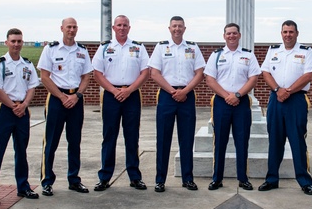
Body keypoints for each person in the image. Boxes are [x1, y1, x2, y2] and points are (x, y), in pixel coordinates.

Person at [0, 28, 41, 204]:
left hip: (22, 110)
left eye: (19, 41)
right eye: (13, 41)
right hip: (6, 110)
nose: (16, 44)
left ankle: (23, 187)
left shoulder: (27, 64)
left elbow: (32, 87)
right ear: (6, 42)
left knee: (21, 151)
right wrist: (13, 106)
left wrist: (24, 105)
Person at [92, 14, 150, 191]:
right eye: (119, 25)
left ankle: (134, 176)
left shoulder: (138, 48)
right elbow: (97, 73)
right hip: (111, 95)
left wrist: (129, 90)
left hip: (131, 95)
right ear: (113, 28)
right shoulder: (104, 48)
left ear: (129, 28)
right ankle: (105, 177)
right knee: (109, 136)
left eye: (125, 25)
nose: (122, 28)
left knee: (132, 137)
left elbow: (145, 72)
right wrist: (114, 90)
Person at [259, 20, 312, 195]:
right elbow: (266, 72)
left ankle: (304, 181)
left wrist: (289, 90)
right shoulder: (273, 50)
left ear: (297, 33)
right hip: (276, 99)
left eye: (291, 32)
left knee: (297, 140)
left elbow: (309, 74)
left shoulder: (305, 52)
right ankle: (271, 179)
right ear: (281, 33)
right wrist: (278, 90)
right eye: (285, 32)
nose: (288, 35)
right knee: (275, 140)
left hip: (296, 100)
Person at [149, 16, 205, 192]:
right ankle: (160, 180)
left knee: (187, 139)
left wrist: (184, 91)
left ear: (184, 28)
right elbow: (154, 73)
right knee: (163, 139)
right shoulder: (161, 47)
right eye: (174, 26)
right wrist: (173, 91)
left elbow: (200, 73)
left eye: (180, 26)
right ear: (169, 28)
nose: (177, 29)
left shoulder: (193, 47)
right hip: (167, 96)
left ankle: (187, 178)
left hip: (187, 97)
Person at [38, 17, 93, 195]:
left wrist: (77, 95)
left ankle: (74, 179)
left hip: (75, 98)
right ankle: (47, 181)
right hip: (56, 98)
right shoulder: (51, 49)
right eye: (68, 27)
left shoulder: (82, 51)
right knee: (51, 141)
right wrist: (62, 96)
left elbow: (86, 76)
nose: (71, 30)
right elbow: (45, 76)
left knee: (74, 141)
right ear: (62, 28)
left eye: (74, 27)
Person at [203, 22, 261, 190]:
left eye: (234, 33)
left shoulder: (248, 55)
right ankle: (217, 178)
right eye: (228, 33)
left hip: (241, 102)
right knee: (219, 141)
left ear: (239, 35)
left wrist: (237, 95)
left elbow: (253, 78)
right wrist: (226, 96)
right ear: (224, 36)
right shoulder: (216, 55)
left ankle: (243, 178)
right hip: (221, 102)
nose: (231, 36)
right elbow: (210, 79)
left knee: (242, 141)